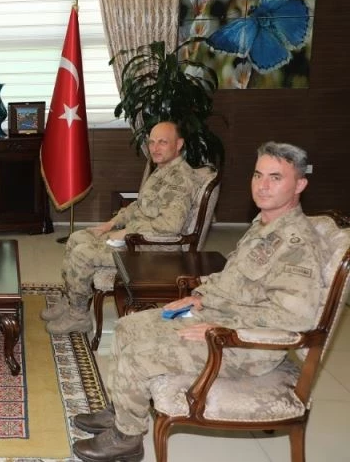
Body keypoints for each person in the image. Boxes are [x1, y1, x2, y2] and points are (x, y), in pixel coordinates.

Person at [72, 142, 326, 462]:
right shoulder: (265, 225)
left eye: (275, 177)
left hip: (245, 346)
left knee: (140, 353)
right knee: (127, 327)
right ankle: (121, 411)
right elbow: (235, 279)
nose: (262, 185)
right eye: (258, 175)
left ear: (300, 184)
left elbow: (291, 320)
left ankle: (127, 440)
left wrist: (216, 327)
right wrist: (198, 298)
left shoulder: (296, 244)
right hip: (218, 317)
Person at [44, 121, 199, 333]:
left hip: (150, 250)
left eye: (162, 142)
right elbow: (139, 205)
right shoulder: (162, 170)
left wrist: (127, 232)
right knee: (76, 238)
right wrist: (111, 224)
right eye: (152, 142)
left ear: (179, 144)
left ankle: (78, 317)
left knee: (82, 254)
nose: (155, 148)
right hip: (133, 240)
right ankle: (72, 301)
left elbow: (171, 225)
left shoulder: (180, 179)